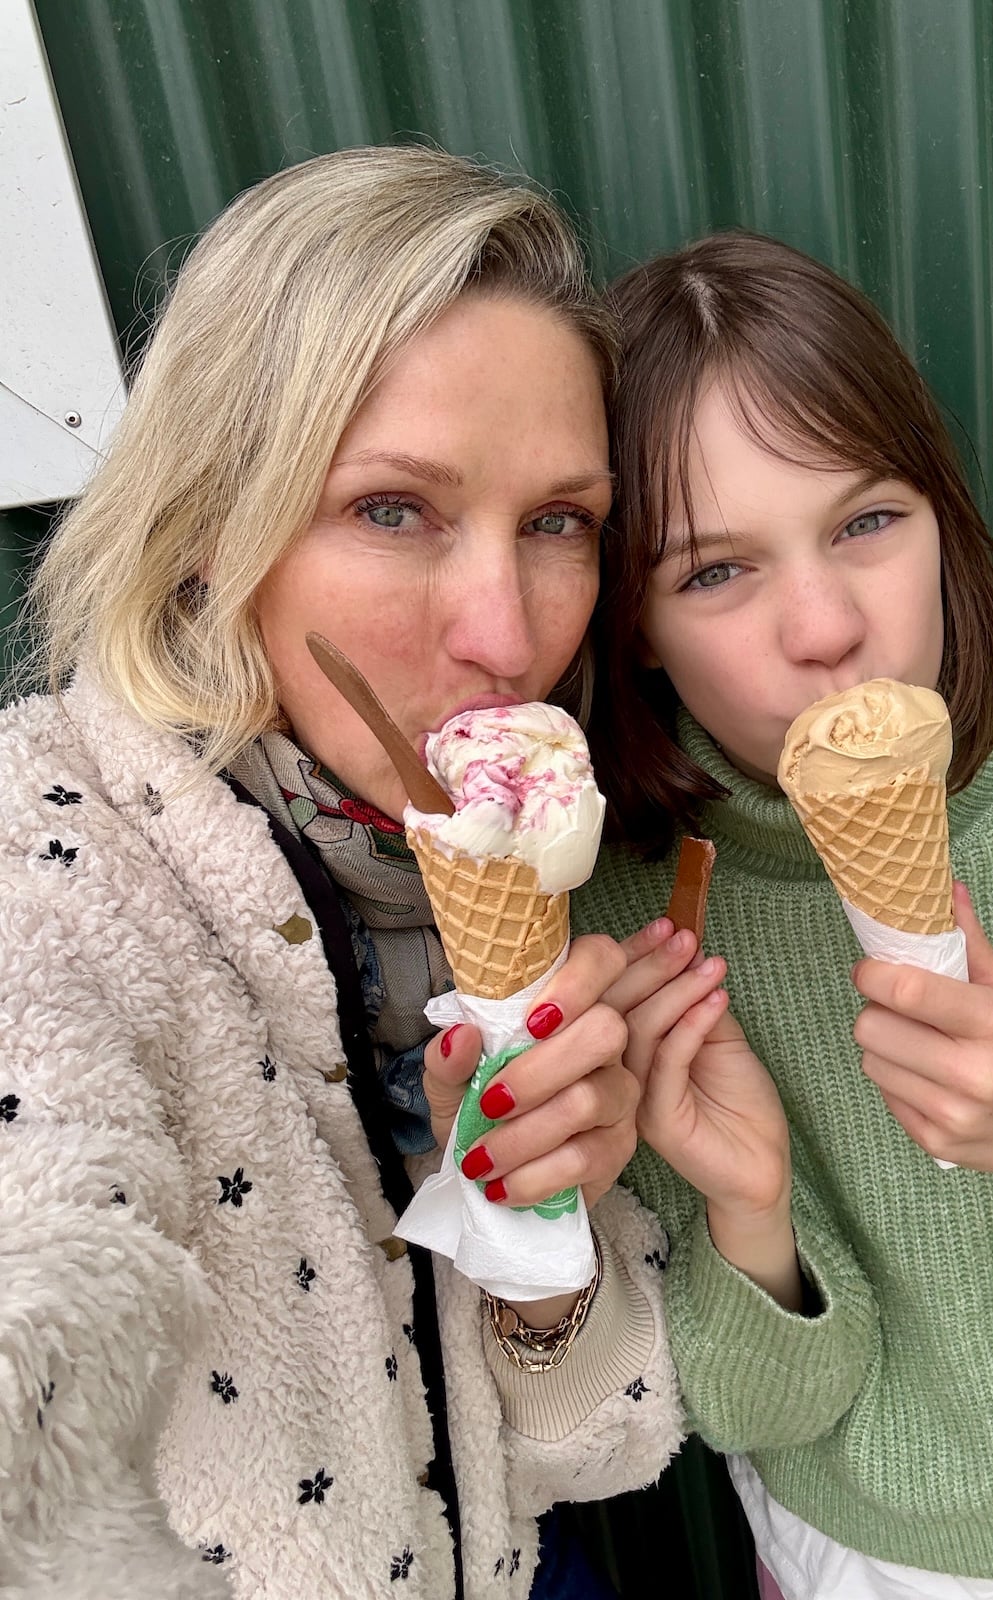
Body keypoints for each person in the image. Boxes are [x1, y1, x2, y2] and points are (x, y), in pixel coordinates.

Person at [0, 145, 683, 1600]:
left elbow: (581, 1451)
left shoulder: (521, 872)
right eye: (393, 509)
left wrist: (538, 1235)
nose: (506, 635)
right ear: (208, 526)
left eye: (557, 522)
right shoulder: (45, 858)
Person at [576, 230, 993, 1597]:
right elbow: (750, 1408)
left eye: (866, 523)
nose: (824, 626)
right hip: (848, 1553)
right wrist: (751, 1210)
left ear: (943, 522)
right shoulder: (635, 924)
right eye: (714, 572)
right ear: (635, 631)